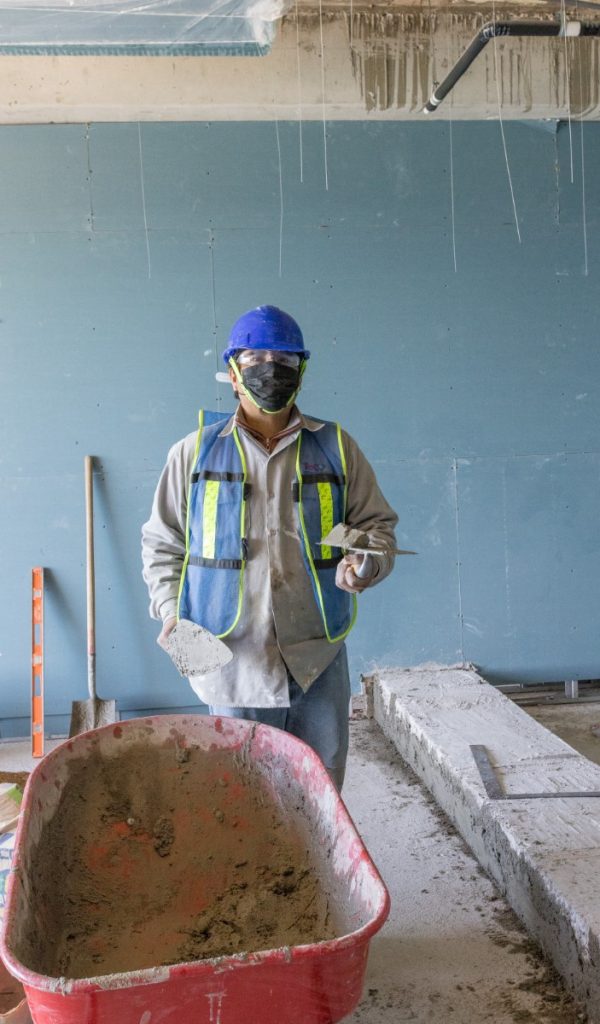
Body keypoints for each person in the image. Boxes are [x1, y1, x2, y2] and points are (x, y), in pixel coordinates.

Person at [141, 305, 398, 790]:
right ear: (233, 372)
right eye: (255, 358)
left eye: (283, 360)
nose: (270, 369)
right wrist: (170, 610)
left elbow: (376, 527)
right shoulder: (193, 452)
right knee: (242, 793)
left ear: (301, 371)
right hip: (230, 658)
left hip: (316, 656)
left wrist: (366, 563)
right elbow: (163, 542)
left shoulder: (336, 448)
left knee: (320, 788)